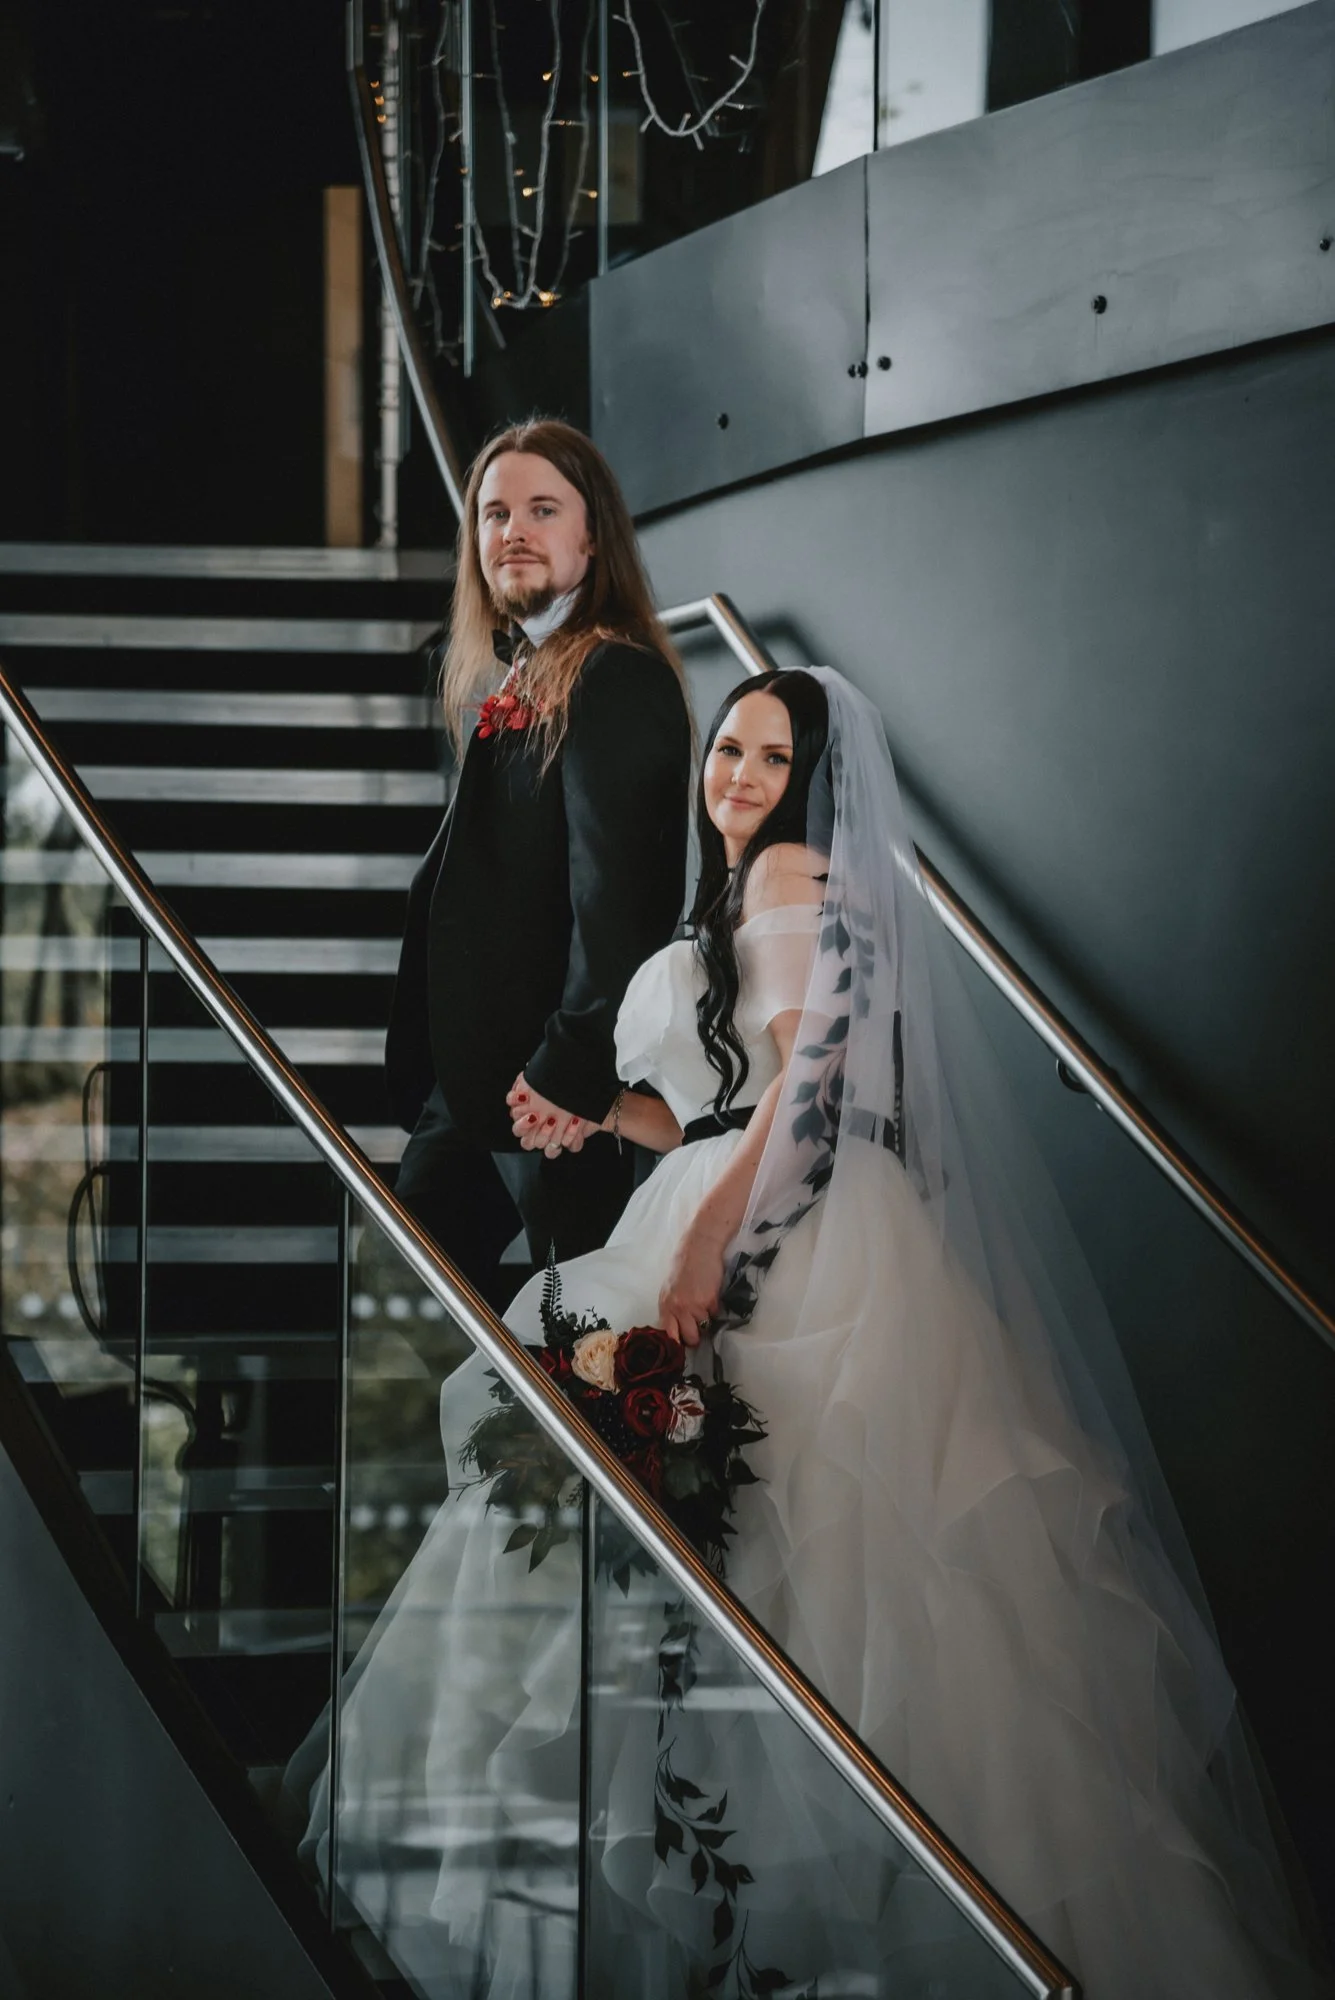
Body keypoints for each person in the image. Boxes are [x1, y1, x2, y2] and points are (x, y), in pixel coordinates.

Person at [294, 669, 1329, 1999]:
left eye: (769, 757)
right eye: (724, 745)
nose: (732, 773)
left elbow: (800, 1098)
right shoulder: (741, 895)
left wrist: (709, 1238)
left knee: (818, 1568)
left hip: (794, 1235)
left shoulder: (784, 884)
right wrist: (607, 1124)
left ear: (810, 779)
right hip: (755, 1195)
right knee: (792, 1575)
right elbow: (724, 1111)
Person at [385, 417, 692, 1311]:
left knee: (588, 1342)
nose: (510, 531)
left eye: (540, 509)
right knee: (425, 1300)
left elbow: (622, 900)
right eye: (492, 513)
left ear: (591, 536)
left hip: (552, 1091)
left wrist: (570, 1072)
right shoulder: (520, 674)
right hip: (477, 1082)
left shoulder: (615, 678)